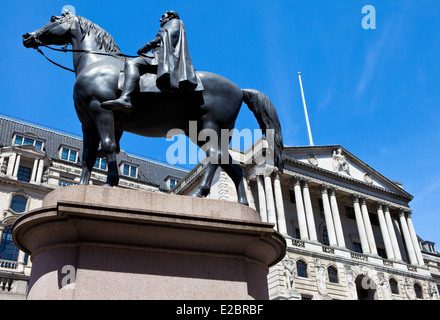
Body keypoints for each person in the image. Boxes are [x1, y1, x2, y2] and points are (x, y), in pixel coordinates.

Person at [102, 11, 199, 113]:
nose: (160, 19)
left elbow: (162, 38)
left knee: (132, 63)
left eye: (163, 17)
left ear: (171, 17)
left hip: (160, 56)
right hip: (157, 55)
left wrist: (146, 47)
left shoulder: (175, 22)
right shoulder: (170, 25)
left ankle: (125, 99)